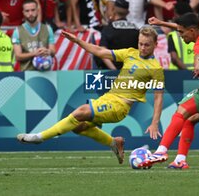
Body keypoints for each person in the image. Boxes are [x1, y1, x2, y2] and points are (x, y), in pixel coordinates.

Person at [17, 26, 165, 164]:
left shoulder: (155, 68)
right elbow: (100, 51)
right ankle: (113, 142)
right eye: (140, 44)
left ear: (155, 44)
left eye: (147, 45)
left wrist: (154, 123)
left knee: (81, 111)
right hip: (108, 98)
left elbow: (158, 97)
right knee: (78, 127)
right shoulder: (130, 53)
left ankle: (39, 137)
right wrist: (77, 41)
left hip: (120, 106)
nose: (142, 48)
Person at [139, 13, 199, 169]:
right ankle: (180, 160)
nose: (180, 36)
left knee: (180, 112)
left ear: (191, 31)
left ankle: (161, 151)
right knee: (190, 120)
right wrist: (160, 22)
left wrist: (198, 66)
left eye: (182, 33)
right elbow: (181, 28)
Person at [12, 0, 56, 71]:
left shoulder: (47, 29)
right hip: (27, 73)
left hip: (46, 73)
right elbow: (18, 56)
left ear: (38, 11)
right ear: (23, 12)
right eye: (27, 11)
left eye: (33, 10)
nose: (30, 13)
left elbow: (53, 51)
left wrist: (48, 51)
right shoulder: (17, 31)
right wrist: (34, 53)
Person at [99, 0, 139, 70]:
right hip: (132, 72)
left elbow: (102, 52)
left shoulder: (108, 29)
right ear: (128, 12)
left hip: (112, 74)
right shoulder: (136, 29)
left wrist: (114, 70)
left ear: (113, 10)